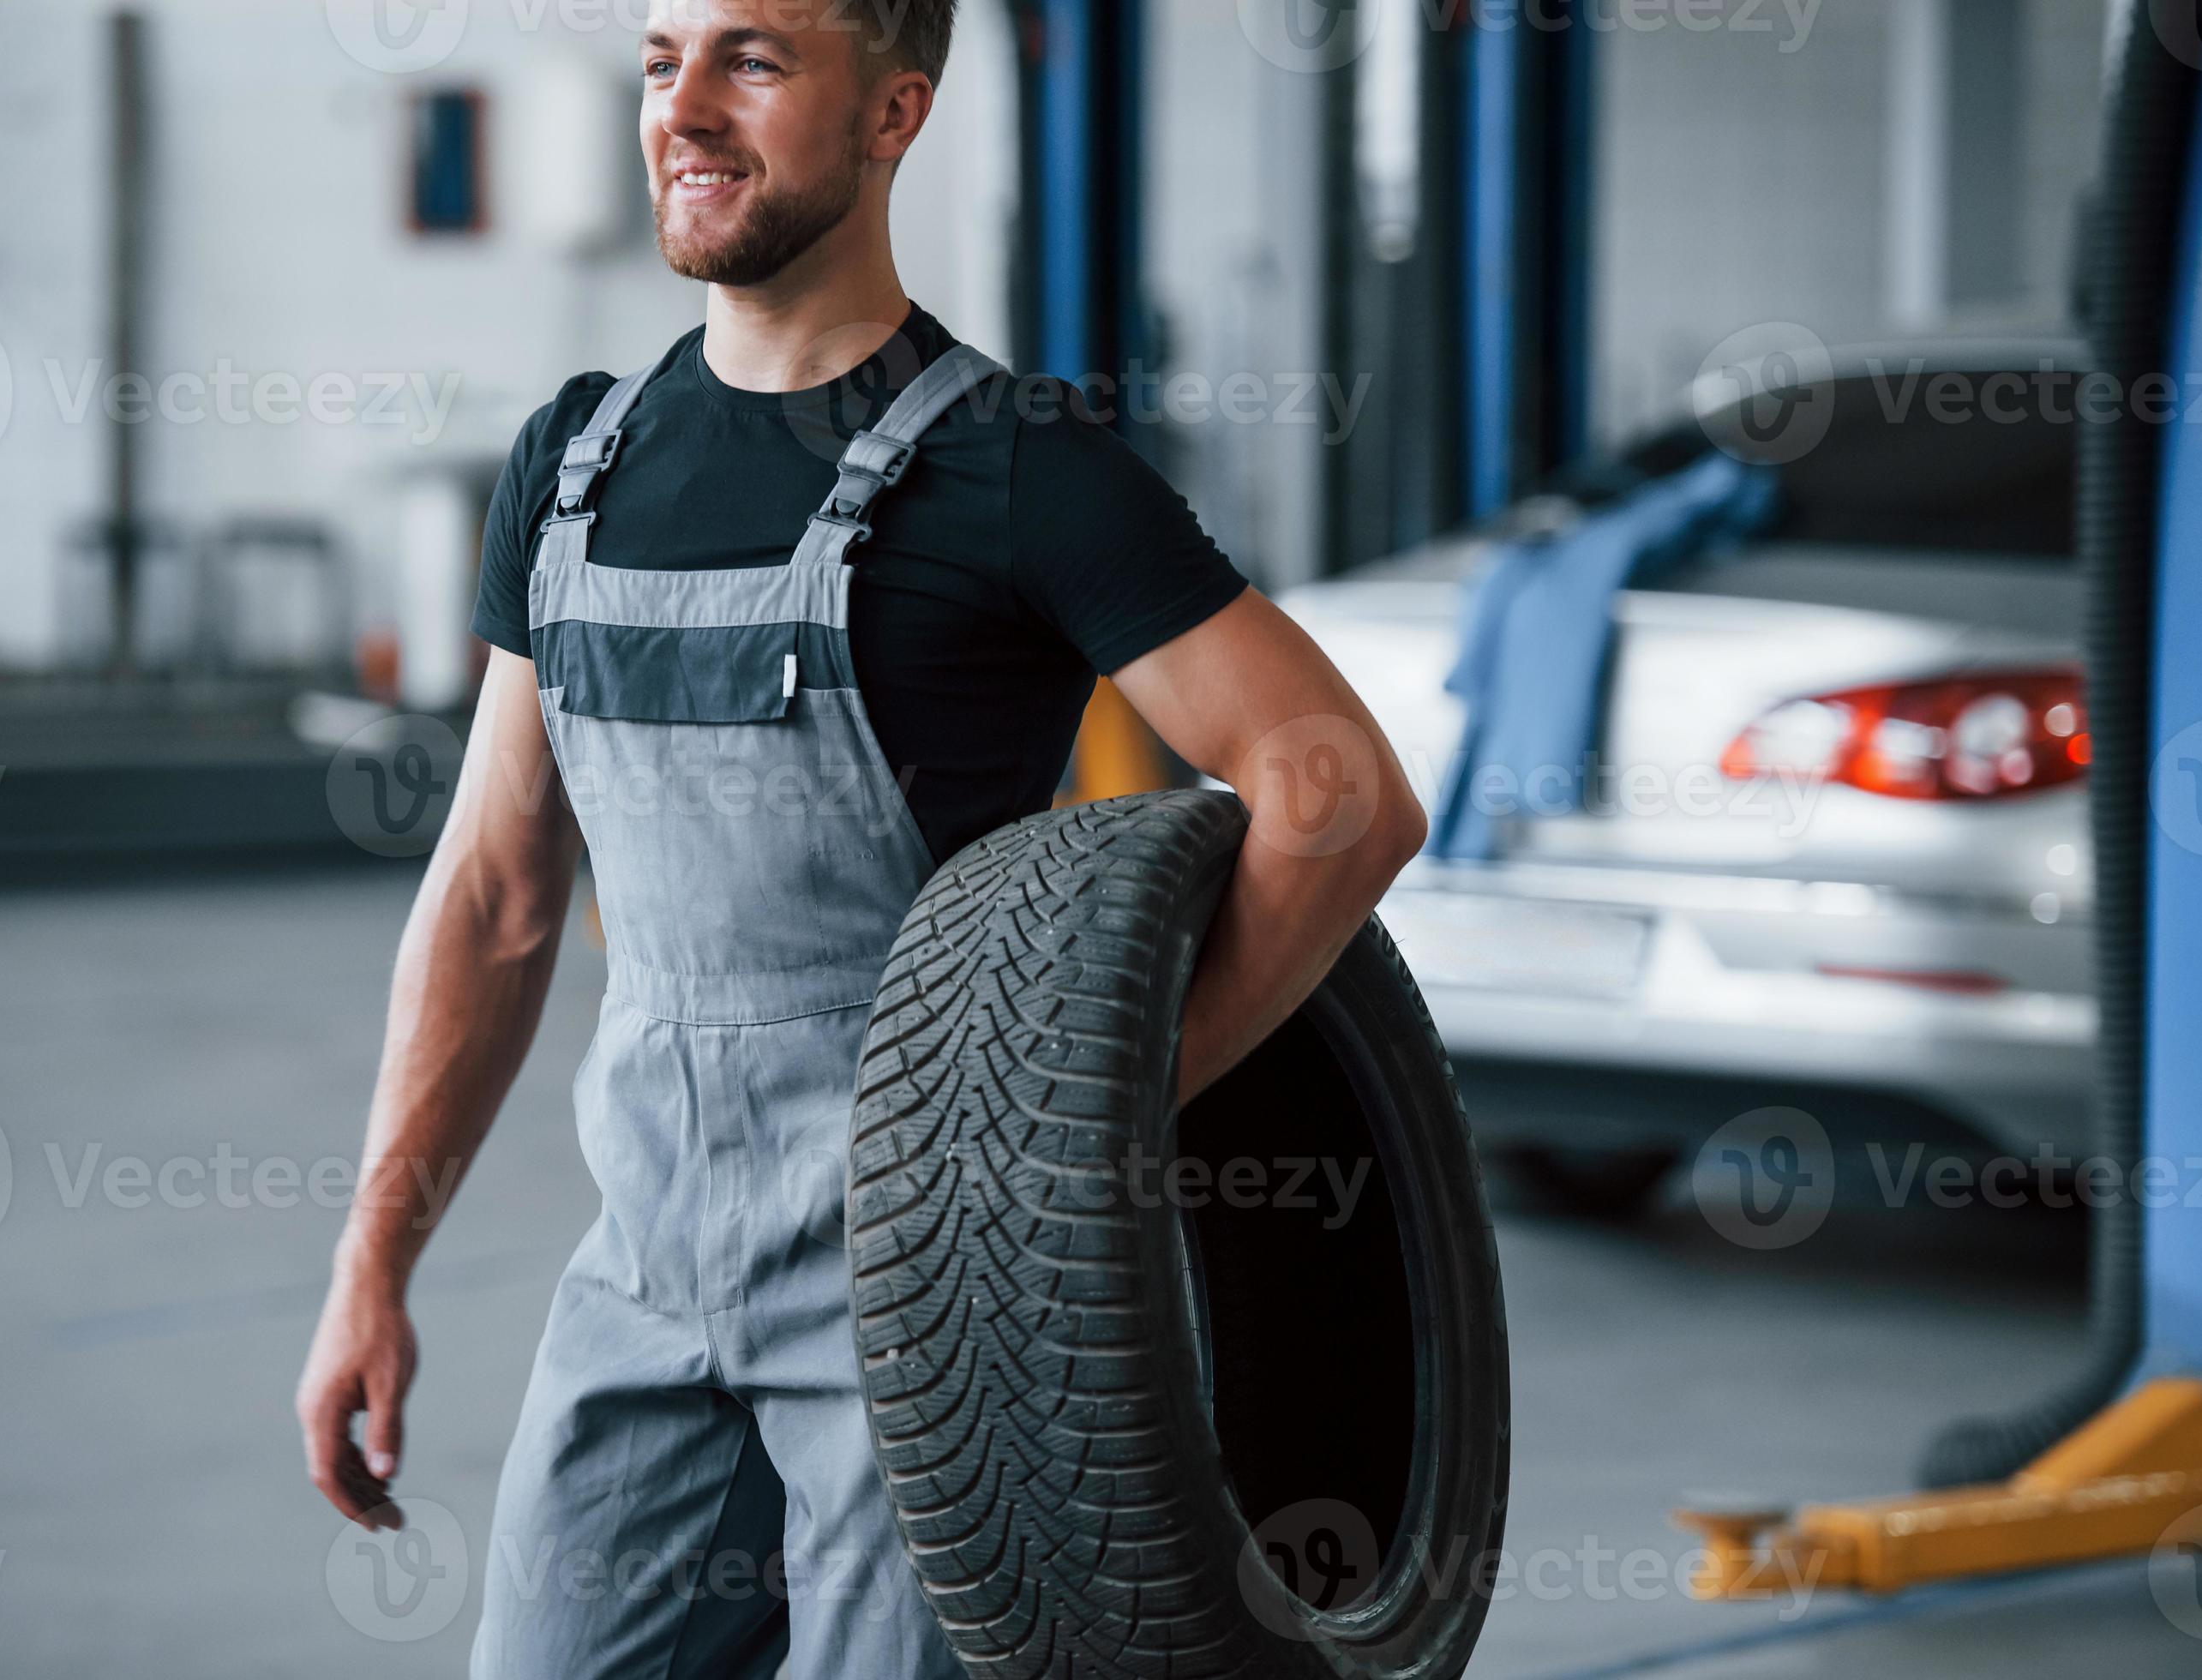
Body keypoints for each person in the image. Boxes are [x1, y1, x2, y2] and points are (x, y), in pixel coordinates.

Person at [296, 2, 1426, 1673]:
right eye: (660, 57)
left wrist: (1074, 1126)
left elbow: (1338, 797)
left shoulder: (1014, 468)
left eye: (750, 59)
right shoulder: (572, 465)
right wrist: (371, 1256)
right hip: (646, 1277)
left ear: (893, 111)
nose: (683, 106)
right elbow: (491, 895)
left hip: (934, 1309)